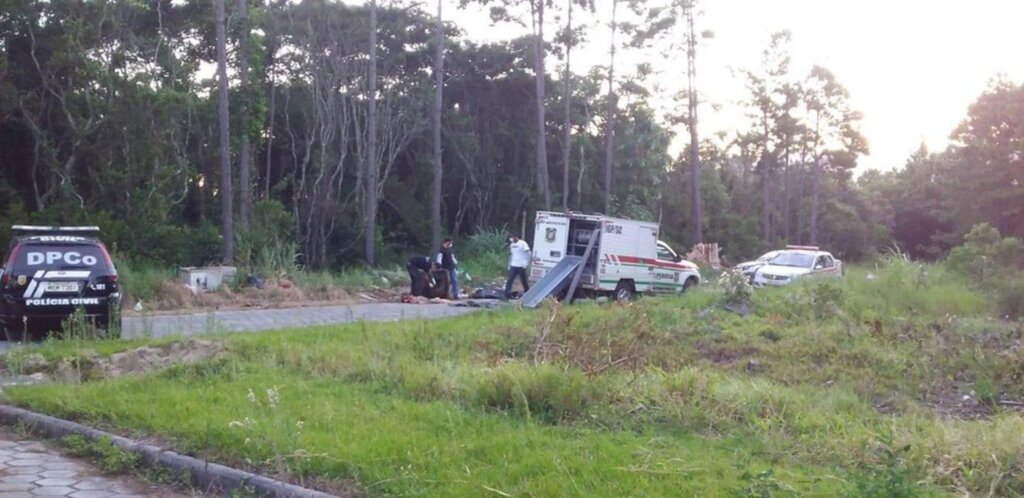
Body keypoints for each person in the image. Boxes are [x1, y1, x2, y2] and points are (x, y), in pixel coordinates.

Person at [504, 234, 531, 299]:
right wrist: (509, 264)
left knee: (523, 280)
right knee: (510, 279)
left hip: (521, 266)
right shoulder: (512, 245)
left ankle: (527, 292)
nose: (512, 239)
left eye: (512, 238)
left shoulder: (522, 243)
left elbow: (528, 253)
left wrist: (526, 262)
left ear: (516, 237)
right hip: (513, 265)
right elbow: (511, 255)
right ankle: (507, 294)